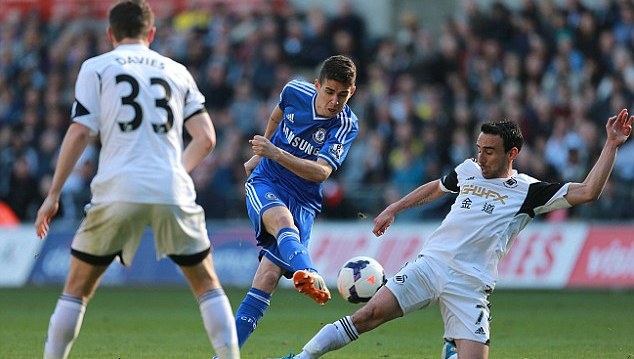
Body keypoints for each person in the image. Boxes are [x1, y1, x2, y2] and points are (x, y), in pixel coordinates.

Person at [278, 109, 633, 359]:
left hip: (470, 284)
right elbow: (434, 188)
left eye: (489, 151)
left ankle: (453, 347)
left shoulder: (528, 191)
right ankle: (303, 357)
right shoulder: (468, 169)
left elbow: (588, 191)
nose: (481, 157)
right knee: (366, 317)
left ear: (512, 153)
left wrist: (611, 145)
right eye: (479, 148)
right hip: (430, 265)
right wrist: (393, 209)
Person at [34, 1, 239, 358]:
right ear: (152, 34)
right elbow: (206, 138)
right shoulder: (176, 71)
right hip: (172, 188)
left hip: (117, 187)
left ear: (111, 34)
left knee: (76, 289)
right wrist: (173, 171)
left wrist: (53, 193)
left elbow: (81, 132)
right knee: (207, 285)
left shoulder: (96, 67)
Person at [235, 55, 359, 348]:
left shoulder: (345, 125)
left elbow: (320, 172)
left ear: (351, 92)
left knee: (266, 277)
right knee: (281, 222)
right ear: (317, 85)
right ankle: (310, 271)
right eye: (329, 92)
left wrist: (274, 151)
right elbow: (276, 116)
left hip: (304, 200)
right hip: (268, 181)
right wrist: (261, 153)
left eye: (342, 95)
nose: (334, 102)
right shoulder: (295, 91)